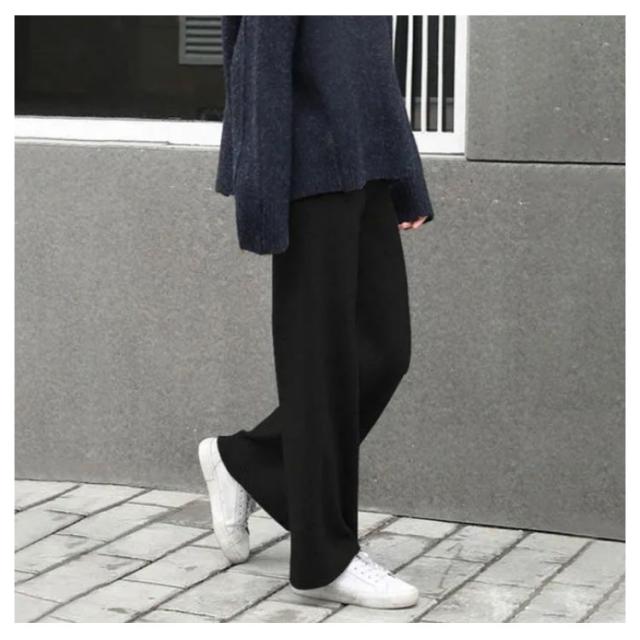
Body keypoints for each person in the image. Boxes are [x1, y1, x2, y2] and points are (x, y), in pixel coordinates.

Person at [199, 15, 433, 609]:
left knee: (384, 350)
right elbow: (258, 66)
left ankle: (245, 459)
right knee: (319, 366)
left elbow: (375, 71)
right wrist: (261, 199)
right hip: (305, 172)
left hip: (367, 164)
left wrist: (406, 179)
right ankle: (325, 560)